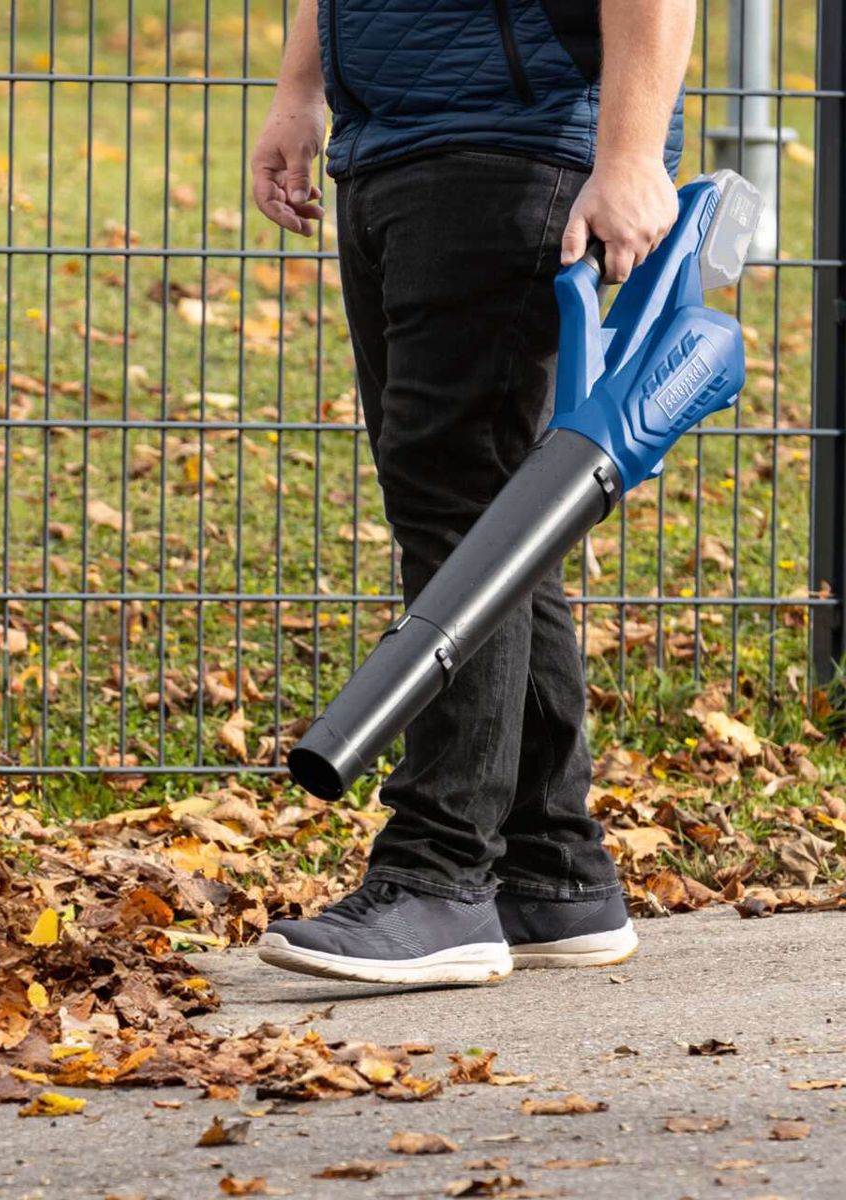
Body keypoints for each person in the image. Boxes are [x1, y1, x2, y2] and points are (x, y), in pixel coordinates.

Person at [251, 0, 694, 985]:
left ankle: (440, 876)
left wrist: (627, 155)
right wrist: (297, 94)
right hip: (394, 149)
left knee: (463, 519)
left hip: (511, 147)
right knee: (492, 517)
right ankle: (551, 871)